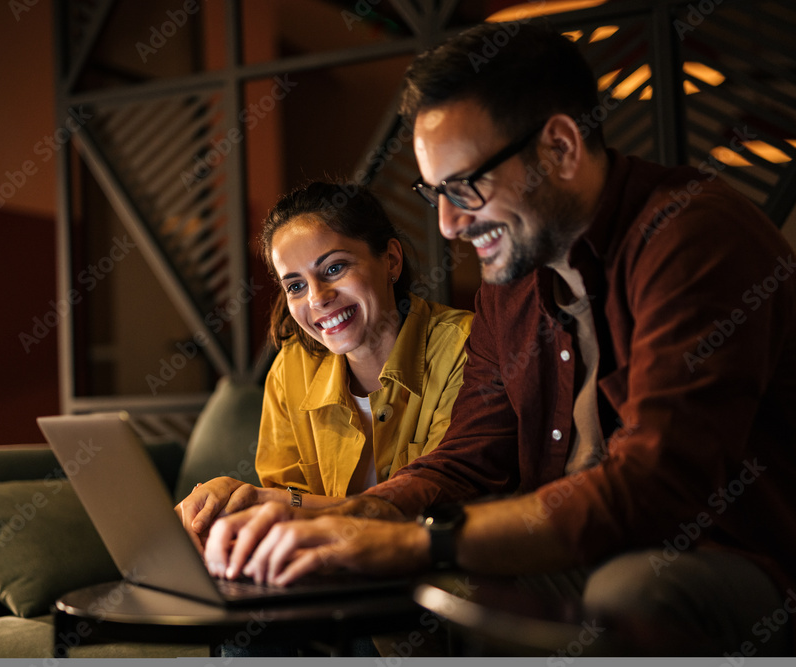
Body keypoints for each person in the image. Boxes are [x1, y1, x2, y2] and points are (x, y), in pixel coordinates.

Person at [202, 21, 796, 654]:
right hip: (580, 551)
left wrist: (416, 539)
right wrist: (350, 519)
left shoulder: (690, 237)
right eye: (434, 194)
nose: (450, 224)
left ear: (560, 148)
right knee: (374, 598)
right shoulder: (509, 286)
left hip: (731, 557)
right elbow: (467, 458)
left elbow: (656, 484)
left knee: (630, 592)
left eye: (464, 188)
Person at [176, 181, 473, 561]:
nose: (316, 298)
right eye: (295, 285)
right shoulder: (292, 367)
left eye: (334, 268)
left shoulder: (464, 346)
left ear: (392, 260)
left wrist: (272, 500)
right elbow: (288, 514)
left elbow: (445, 503)